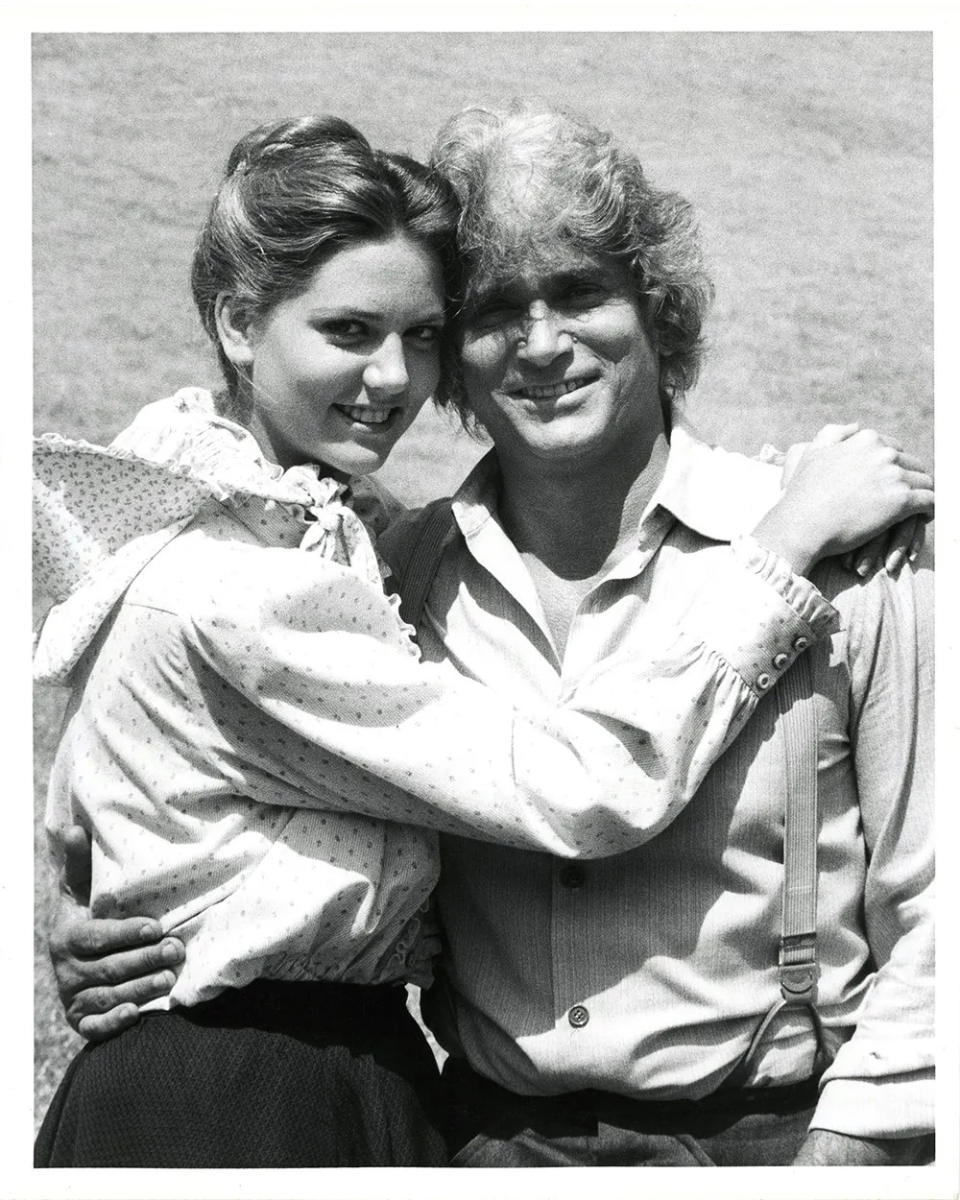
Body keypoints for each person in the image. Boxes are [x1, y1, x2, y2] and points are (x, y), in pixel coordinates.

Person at [45, 104, 935, 1168]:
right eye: (494, 311)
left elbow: (940, 899)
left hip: (776, 1141)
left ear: (659, 310)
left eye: (581, 292)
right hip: (468, 1141)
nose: (543, 342)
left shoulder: (849, 557)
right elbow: (571, 785)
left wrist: (857, 1147)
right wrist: (112, 907)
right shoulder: (391, 579)